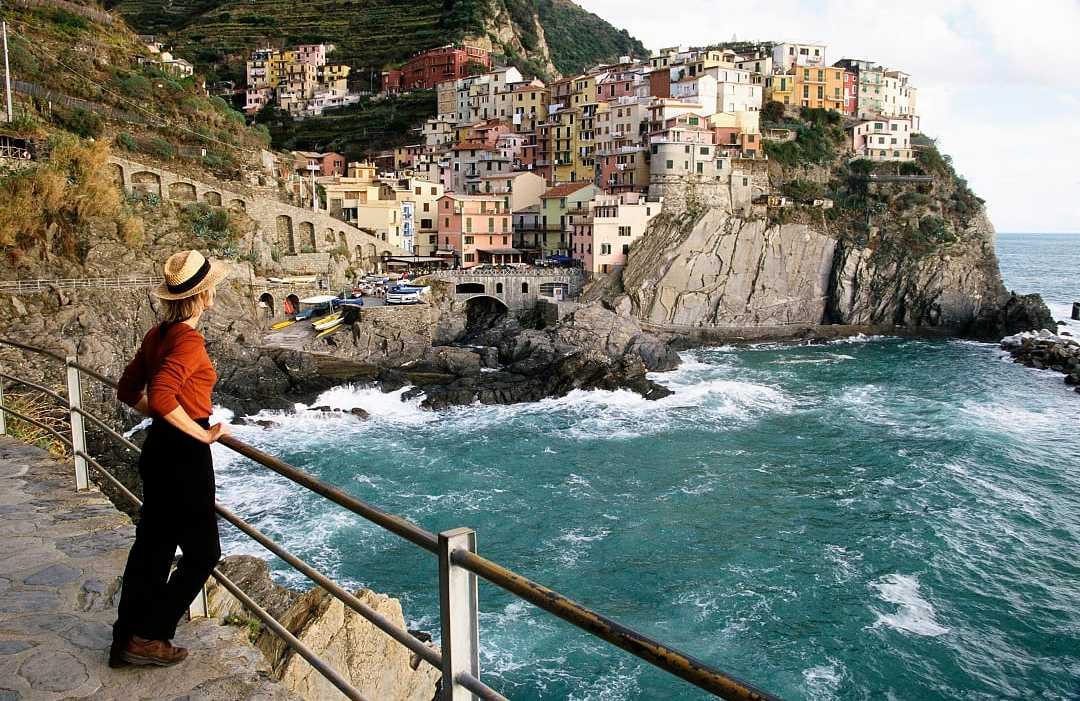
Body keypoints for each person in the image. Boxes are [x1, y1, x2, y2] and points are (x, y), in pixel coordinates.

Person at [109, 250, 230, 668]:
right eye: (212, 287)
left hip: (159, 448)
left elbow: (128, 390)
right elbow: (162, 396)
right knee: (203, 554)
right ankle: (149, 635)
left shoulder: (157, 334)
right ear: (203, 295)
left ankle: (126, 637)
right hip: (183, 455)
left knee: (153, 548)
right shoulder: (188, 340)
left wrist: (166, 418)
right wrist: (202, 433)